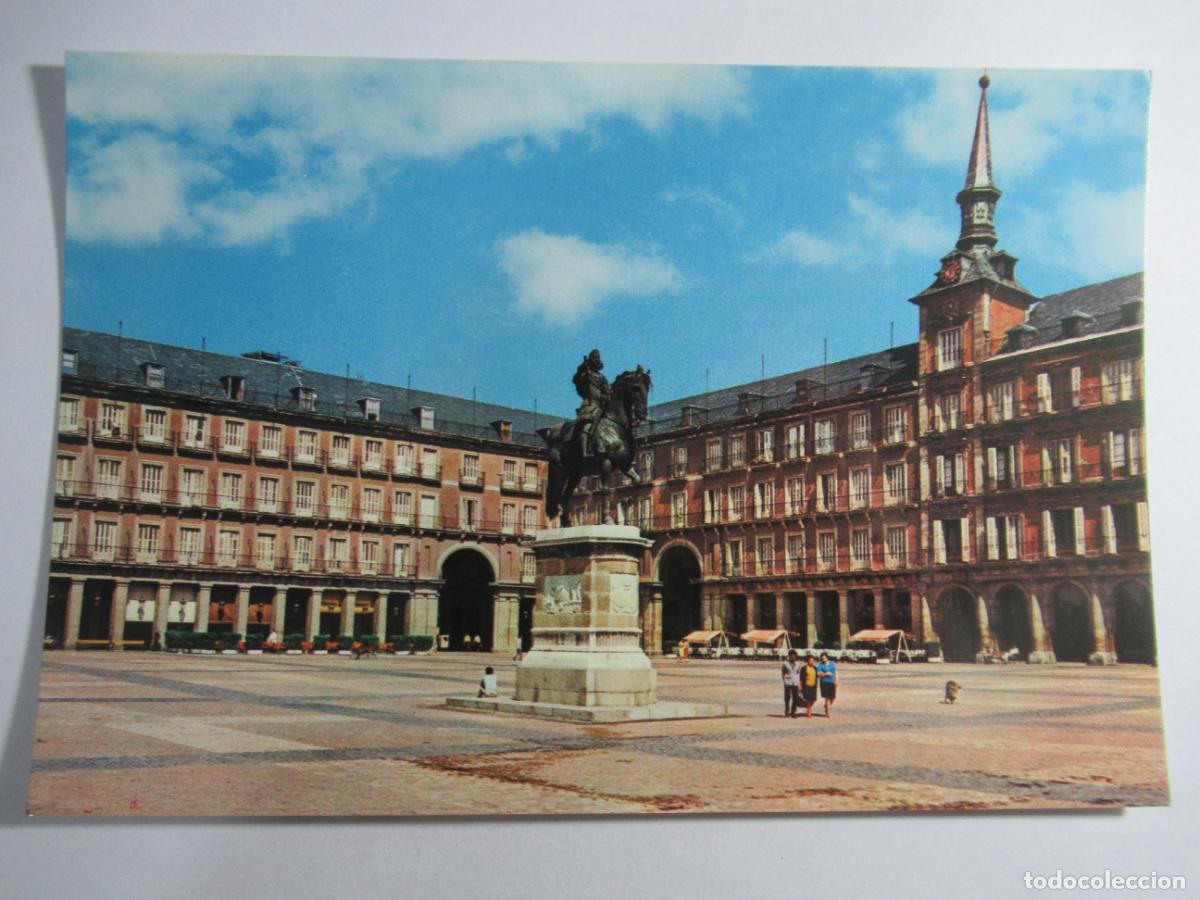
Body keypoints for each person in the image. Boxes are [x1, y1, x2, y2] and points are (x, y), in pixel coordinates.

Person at [572, 349, 611, 458]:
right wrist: (581, 368)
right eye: (594, 359)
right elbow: (576, 380)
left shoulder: (602, 378)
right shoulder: (585, 375)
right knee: (586, 426)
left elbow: (607, 391)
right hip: (589, 405)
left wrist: (607, 396)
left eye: (598, 359)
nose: (596, 361)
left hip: (602, 406)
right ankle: (585, 451)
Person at [781, 649, 801, 717]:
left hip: (795, 682)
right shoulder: (785, 664)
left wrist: (799, 683)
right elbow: (783, 673)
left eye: (794, 656)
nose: (793, 657)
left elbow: (798, 673)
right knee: (787, 697)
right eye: (792, 656)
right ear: (789, 656)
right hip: (788, 682)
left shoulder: (798, 664)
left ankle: (793, 711)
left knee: (795, 697)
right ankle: (787, 710)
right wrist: (784, 681)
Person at [817, 651, 838, 717]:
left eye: (824, 658)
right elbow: (818, 674)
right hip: (824, 682)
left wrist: (837, 680)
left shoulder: (832, 663)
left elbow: (836, 672)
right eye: (822, 658)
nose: (823, 659)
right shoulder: (820, 665)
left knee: (833, 697)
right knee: (827, 697)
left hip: (832, 681)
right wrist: (826, 674)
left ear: (827, 657)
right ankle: (828, 713)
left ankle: (826, 706)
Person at [800, 654, 820, 719]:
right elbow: (801, 679)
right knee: (809, 700)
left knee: (813, 700)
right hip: (806, 686)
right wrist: (800, 687)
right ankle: (809, 713)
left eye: (813, 660)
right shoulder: (804, 668)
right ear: (807, 661)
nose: (812, 662)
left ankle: (808, 708)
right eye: (810, 660)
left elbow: (818, 675)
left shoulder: (815, 668)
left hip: (813, 687)